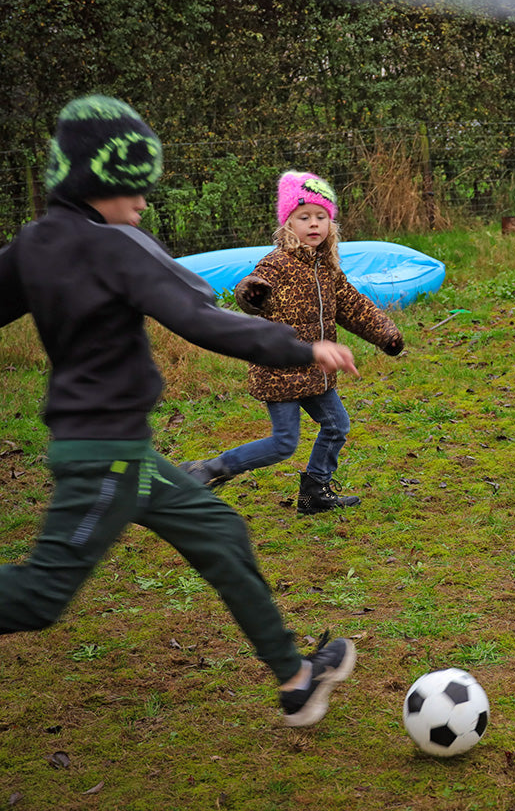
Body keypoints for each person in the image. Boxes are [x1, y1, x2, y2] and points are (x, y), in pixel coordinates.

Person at [0, 96, 358, 727]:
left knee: (221, 534)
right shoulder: (116, 246)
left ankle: (297, 680)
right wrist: (301, 346)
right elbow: (200, 318)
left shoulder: (33, 244)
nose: (142, 203)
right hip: (103, 459)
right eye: (134, 189)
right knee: (38, 598)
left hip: (125, 453)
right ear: (97, 181)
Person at [180, 170, 403, 512]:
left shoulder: (327, 268)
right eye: (304, 217)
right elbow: (250, 287)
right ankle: (209, 469)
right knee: (283, 443)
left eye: (321, 217)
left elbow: (354, 306)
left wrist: (386, 335)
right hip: (280, 369)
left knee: (336, 425)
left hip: (317, 370)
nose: (314, 224)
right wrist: (253, 294)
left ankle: (315, 491)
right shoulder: (277, 263)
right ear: (288, 224)